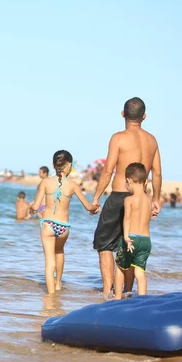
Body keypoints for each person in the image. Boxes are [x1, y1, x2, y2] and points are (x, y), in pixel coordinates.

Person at [91, 97, 162, 298]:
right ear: (144, 117)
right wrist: (155, 200)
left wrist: (96, 197)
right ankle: (128, 291)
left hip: (119, 196)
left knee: (104, 244)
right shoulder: (152, 140)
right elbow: (156, 173)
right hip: (142, 198)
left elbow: (108, 170)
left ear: (123, 114)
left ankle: (107, 291)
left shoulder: (118, 138)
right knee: (132, 242)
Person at [29, 150, 96, 294]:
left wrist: (31, 209)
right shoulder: (73, 185)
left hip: (48, 224)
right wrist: (95, 208)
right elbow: (88, 207)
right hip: (64, 227)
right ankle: (58, 284)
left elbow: (36, 206)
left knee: (49, 260)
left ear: (53, 165)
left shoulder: (46, 182)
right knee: (59, 251)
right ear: (70, 165)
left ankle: (51, 294)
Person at [114, 163, 152, 299]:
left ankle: (117, 297)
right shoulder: (149, 200)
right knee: (140, 273)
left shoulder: (129, 199)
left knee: (120, 267)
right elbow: (147, 219)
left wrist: (125, 237)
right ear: (145, 182)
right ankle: (142, 301)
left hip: (131, 238)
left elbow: (127, 218)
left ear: (129, 181)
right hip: (146, 241)